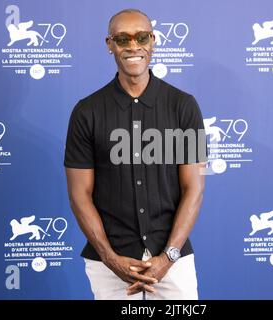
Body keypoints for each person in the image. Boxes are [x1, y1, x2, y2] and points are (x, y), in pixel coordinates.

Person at [64, 8, 206, 300]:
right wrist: (111, 258)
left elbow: (194, 188)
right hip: (109, 265)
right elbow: (80, 194)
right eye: (122, 39)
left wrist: (168, 257)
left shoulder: (183, 106)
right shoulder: (86, 111)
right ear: (109, 45)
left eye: (141, 37)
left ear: (153, 41)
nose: (133, 46)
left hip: (173, 261)